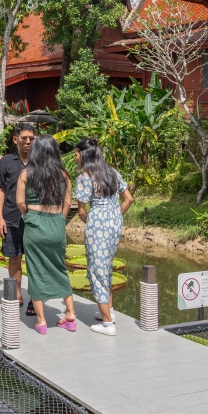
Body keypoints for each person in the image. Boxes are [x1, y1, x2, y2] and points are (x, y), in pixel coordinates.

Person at [16, 134, 75, 334]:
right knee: (60, 268)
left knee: (35, 270)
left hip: (35, 222)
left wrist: (31, 217)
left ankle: (41, 321)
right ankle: (70, 315)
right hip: (57, 224)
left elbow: (20, 203)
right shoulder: (64, 175)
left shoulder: (26, 174)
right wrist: (59, 219)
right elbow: (68, 203)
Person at [74, 137, 133, 336]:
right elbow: (129, 198)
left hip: (96, 224)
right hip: (114, 224)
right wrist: (115, 216)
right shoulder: (113, 172)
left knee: (96, 271)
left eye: (76, 154)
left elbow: (81, 210)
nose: (75, 158)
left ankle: (108, 324)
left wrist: (91, 222)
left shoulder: (85, 178)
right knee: (105, 266)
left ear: (84, 155)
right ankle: (110, 311)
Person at [0, 122, 35, 314]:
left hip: (36, 219)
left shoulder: (39, 162)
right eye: (24, 138)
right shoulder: (7, 162)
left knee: (35, 260)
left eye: (31, 138)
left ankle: (35, 298)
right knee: (14, 258)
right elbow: (0, 189)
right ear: (15, 139)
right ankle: (17, 293)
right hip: (11, 217)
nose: (28, 142)